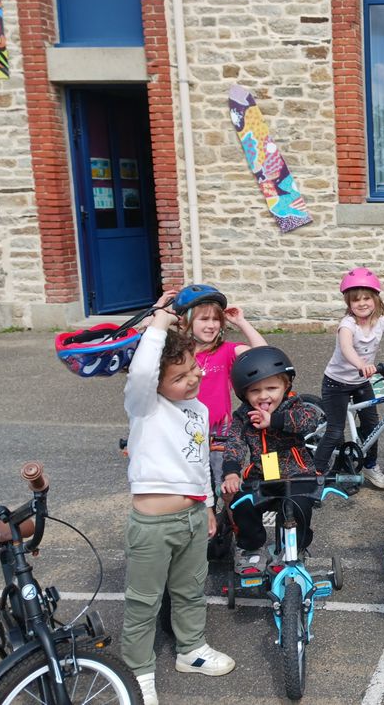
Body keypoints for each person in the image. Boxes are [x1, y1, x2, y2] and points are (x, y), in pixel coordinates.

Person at [121, 291, 235, 705]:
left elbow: (199, 461)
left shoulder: (199, 410)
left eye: (195, 371)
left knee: (190, 590)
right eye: (181, 377)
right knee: (144, 601)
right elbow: (141, 374)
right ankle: (138, 670)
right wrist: (160, 322)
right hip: (152, 525)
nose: (194, 380)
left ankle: (191, 650)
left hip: (191, 518)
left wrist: (206, 505)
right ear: (157, 382)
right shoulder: (145, 405)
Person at [315, 268, 384, 488]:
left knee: (373, 425)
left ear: (375, 299)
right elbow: (346, 348)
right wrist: (361, 364)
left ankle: (370, 465)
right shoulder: (348, 325)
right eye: (356, 300)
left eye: (366, 298)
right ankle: (314, 476)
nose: (362, 303)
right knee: (335, 431)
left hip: (361, 382)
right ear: (349, 303)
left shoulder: (381, 322)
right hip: (336, 383)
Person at [221, 347, 322, 573]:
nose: (264, 396)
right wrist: (231, 472)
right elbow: (234, 444)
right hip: (262, 475)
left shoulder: (294, 405)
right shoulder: (242, 416)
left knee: (300, 507)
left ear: (286, 386)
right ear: (243, 393)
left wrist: (274, 420)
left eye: (272, 388)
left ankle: (293, 549)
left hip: (297, 473)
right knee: (242, 503)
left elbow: (310, 421)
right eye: (255, 391)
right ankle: (251, 549)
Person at [173, 283, 268, 484]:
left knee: (225, 483)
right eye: (204, 319)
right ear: (186, 321)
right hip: (183, 429)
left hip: (219, 433)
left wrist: (242, 322)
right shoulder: (176, 354)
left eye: (216, 319)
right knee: (191, 484)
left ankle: (228, 514)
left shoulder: (226, 351)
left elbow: (263, 356)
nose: (212, 325)